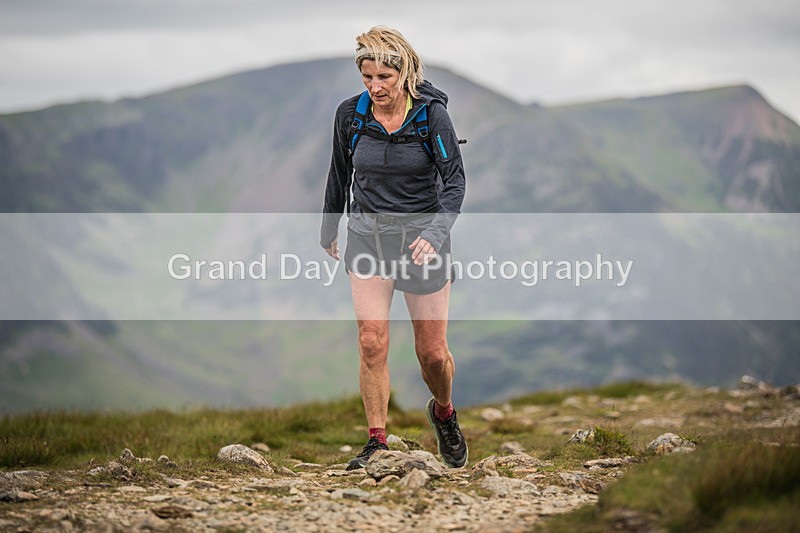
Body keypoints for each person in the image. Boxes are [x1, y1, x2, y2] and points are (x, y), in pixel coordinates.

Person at [320, 26, 468, 470]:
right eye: (367, 77)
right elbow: (339, 171)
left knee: (433, 355)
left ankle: (444, 412)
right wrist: (329, 227)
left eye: (384, 77)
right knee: (370, 340)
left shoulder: (431, 116)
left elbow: (455, 182)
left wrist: (434, 235)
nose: (375, 86)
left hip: (423, 241)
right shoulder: (351, 116)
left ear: (405, 73)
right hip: (368, 235)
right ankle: (377, 442)